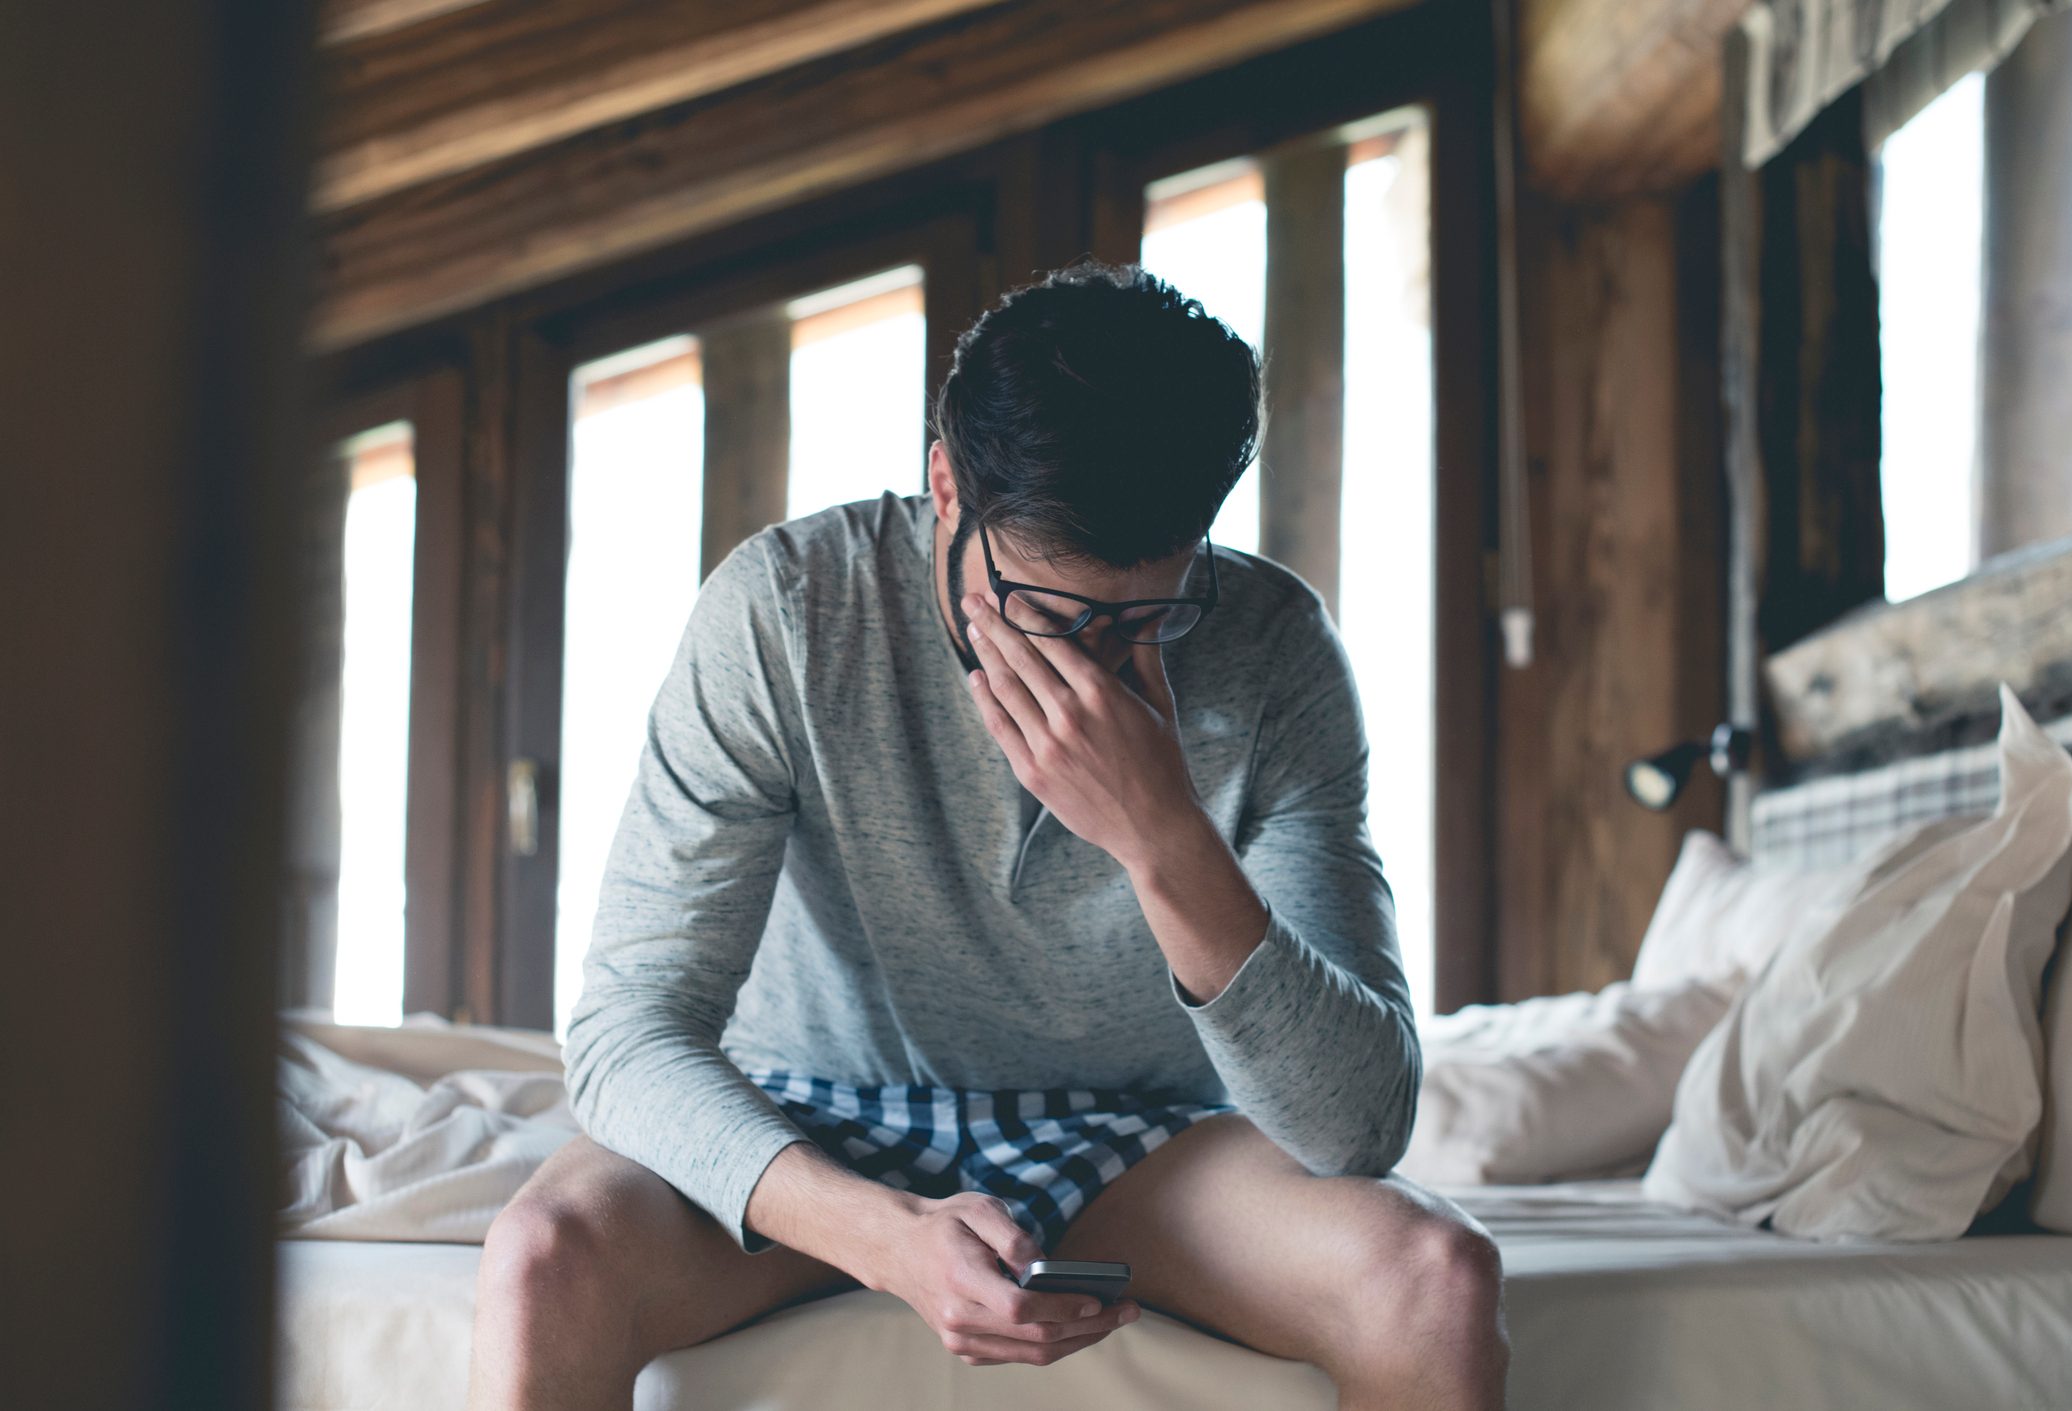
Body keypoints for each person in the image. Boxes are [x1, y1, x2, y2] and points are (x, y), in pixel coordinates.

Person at [468, 259, 1509, 1410]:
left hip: (1146, 1135)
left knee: (1434, 1278)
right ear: (946, 488)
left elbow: (1356, 1126)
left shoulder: (1274, 646)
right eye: (1044, 614)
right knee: (541, 1261)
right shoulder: (788, 610)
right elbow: (625, 1034)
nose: (1089, 667)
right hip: (815, 1105)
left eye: (1147, 617)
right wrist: (880, 1234)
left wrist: (1163, 836)